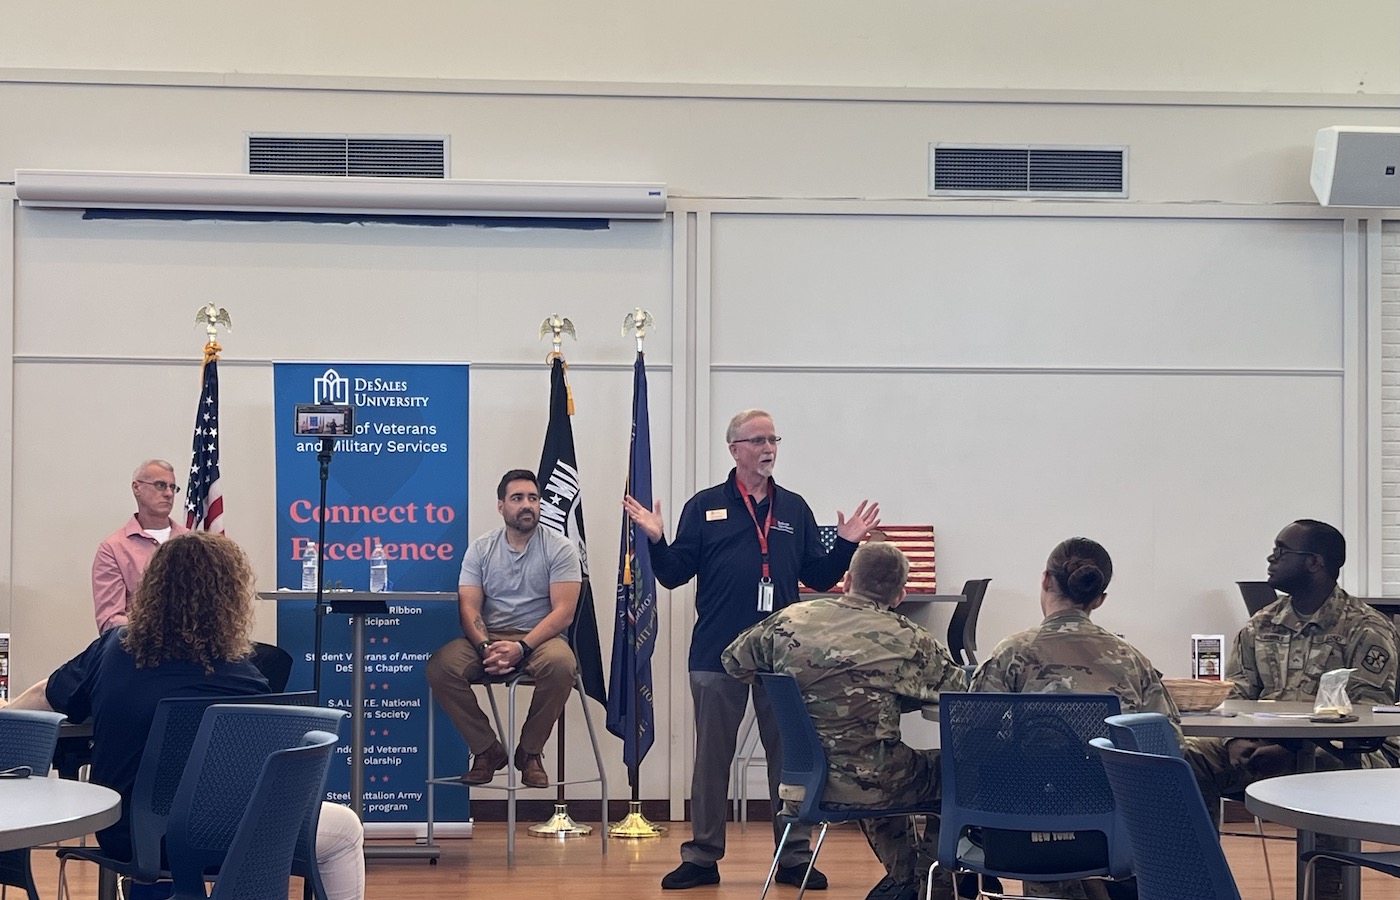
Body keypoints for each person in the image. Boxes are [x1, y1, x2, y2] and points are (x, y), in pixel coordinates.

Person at [2, 532, 365, 900]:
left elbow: (42, 698)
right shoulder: (246, 678)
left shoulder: (112, 651)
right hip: (224, 838)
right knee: (345, 829)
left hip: (125, 834)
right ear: (230, 599)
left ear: (153, 589)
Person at [624, 408, 881, 891]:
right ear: (735, 448)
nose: (769, 448)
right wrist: (656, 540)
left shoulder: (794, 508)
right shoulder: (705, 506)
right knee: (711, 758)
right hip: (716, 653)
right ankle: (702, 857)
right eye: (758, 440)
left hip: (782, 656)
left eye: (774, 439)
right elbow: (674, 573)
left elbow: (819, 577)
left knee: (788, 757)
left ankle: (793, 856)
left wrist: (845, 544)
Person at [722, 542, 968, 900]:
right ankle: (937, 888)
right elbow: (962, 691)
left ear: (847, 580)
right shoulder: (907, 637)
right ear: (900, 596)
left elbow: (733, 661)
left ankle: (904, 880)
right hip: (871, 782)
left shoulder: (789, 620)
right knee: (951, 773)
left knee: (886, 764)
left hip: (803, 782)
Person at [1192, 519, 1400, 900]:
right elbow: (1237, 692)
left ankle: (1329, 892)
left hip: (1353, 753)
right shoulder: (1263, 623)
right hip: (1265, 746)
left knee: (1324, 773)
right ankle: (1196, 884)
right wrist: (1236, 738)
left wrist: (1289, 749)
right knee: (1185, 761)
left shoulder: (1366, 628)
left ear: (1314, 562)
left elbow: (1366, 715)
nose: (1271, 558)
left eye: (1281, 549)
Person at [972, 536, 1176, 900]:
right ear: (1099, 599)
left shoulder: (1013, 652)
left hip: (1026, 828)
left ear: (1046, 581)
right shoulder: (1132, 659)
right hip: (1114, 826)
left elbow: (971, 737)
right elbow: (1165, 742)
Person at [425, 468, 582, 789]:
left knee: (562, 664)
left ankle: (530, 752)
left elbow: (564, 612)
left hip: (540, 638)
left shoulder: (560, 548)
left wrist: (521, 648)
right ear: (501, 506)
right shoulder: (481, 548)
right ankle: (487, 750)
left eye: (533, 498)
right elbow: (468, 606)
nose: (527, 505)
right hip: (489, 637)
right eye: (517, 498)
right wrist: (485, 647)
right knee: (442, 667)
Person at [91, 459, 188, 634]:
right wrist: (163, 633)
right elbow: (110, 622)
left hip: (195, 650)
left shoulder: (192, 542)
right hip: (143, 652)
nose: (168, 493)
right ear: (137, 488)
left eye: (173, 487)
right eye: (160, 485)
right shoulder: (113, 549)